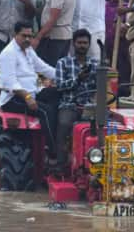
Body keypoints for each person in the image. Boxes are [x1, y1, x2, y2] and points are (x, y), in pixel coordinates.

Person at [0, 22, 58, 161]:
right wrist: (27, 97)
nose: (27, 39)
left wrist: (65, 75)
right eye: (24, 36)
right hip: (14, 99)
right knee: (45, 112)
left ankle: (63, 141)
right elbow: (9, 82)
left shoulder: (29, 51)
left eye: (30, 36)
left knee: (59, 96)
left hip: (34, 92)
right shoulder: (8, 53)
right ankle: (53, 152)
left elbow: (44, 68)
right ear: (15, 35)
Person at [55, 29, 99, 168]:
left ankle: (96, 161)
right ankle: (61, 164)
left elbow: (98, 88)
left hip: (88, 106)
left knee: (103, 127)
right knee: (64, 125)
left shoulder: (95, 64)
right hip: (69, 104)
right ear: (74, 44)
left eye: (85, 43)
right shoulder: (63, 62)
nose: (82, 45)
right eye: (79, 42)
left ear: (89, 45)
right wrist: (77, 79)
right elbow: (60, 86)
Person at [34, 0, 76, 66]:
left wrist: (38, 37)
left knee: (49, 68)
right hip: (65, 35)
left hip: (54, 37)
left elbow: (52, 19)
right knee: (60, 67)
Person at [105, 0, 131, 96]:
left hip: (122, 44)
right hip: (109, 41)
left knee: (123, 68)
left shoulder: (125, 7)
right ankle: (111, 92)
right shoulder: (105, 6)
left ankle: (123, 91)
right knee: (111, 67)